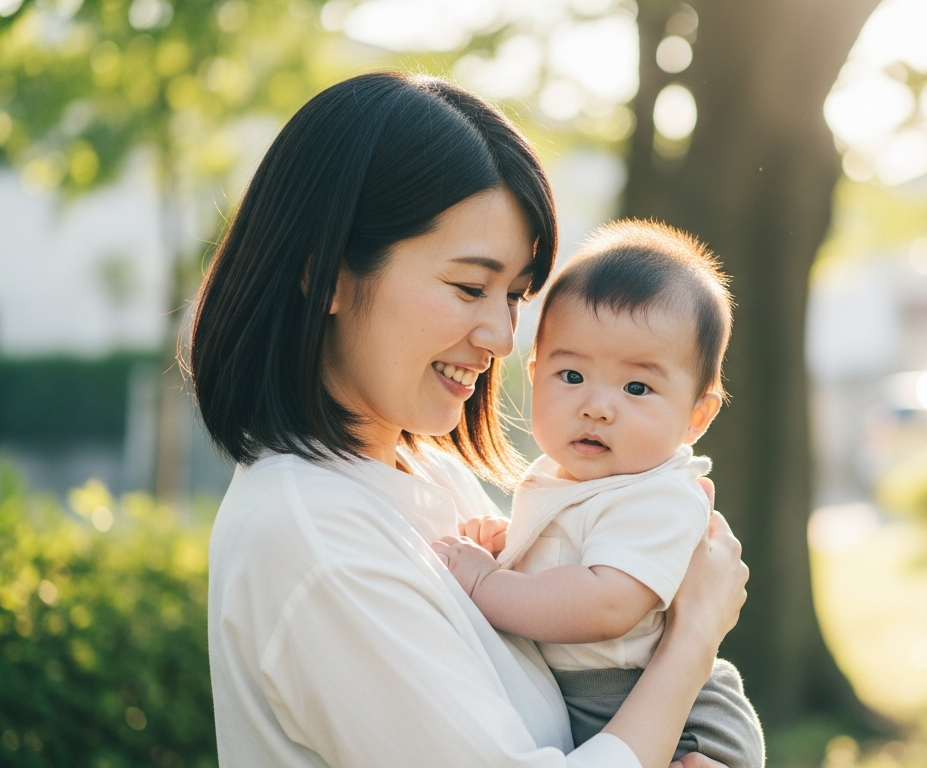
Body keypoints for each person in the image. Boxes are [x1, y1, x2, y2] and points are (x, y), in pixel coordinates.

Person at [188, 71, 749, 768]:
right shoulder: (313, 540)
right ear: (327, 272)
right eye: (469, 287)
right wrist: (693, 639)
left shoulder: (426, 474)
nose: (503, 336)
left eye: (514, 295)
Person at [439, 221, 763, 768]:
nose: (596, 406)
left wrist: (488, 582)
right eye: (570, 375)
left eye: (637, 387)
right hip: (604, 702)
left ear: (696, 417)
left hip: (684, 724)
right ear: (536, 374)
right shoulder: (570, 477)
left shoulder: (661, 497)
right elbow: (574, 554)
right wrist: (516, 545)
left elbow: (605, 603)